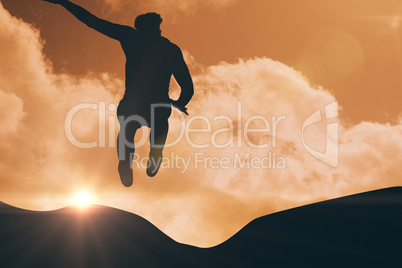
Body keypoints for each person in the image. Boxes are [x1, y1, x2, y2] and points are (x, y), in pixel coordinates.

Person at [43, 0, 194, 187]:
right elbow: (187, 86)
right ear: (154, 30)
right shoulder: (165, 48)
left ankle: (137, 158)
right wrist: (181, 101)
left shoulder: (135, 38)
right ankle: (144, 156)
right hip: (149, 104)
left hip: (139, 103)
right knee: (150, 122)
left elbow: (93, 21)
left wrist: (64, 3)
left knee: (134, 127)